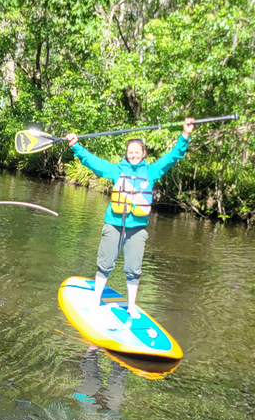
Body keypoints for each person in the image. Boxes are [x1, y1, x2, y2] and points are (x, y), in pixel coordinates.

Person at [66, 118, 195, 318]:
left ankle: (132, 306)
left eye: (137, 152)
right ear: (126, 154)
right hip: (114, 225)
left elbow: (172, 157)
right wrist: (76, 147)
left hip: (137, 229)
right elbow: (94, 163)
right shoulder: (116, 170)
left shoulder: (151, 171)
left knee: (133, 270)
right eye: (130, 152)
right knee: (105, 264)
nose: (133, 155)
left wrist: (185, 135)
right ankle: (96, 298)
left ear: (143, 154)